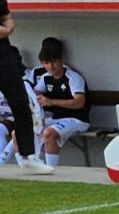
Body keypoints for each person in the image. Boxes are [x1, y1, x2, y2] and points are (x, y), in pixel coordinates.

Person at [0, 0, 49, 173]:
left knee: (20, 102)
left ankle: (28, 156)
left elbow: (7, 17)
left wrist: (8, 29)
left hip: (3, 54)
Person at [25, 37, 88, 170]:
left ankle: (51, 171)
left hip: (77, 119)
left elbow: (79, 103)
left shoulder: (73, 78)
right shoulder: (45, 78)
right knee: (21, 130)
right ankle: (19, 166)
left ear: (61, 61)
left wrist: (51, 101)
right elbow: (35, 92)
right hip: (56, 119)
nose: (50, 66)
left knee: (49, 133)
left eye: (53, 62)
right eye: (46, 63)